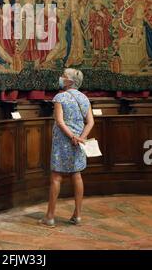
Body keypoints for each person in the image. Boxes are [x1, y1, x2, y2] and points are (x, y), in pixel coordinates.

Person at [40, 69, 94, 227]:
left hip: (63, 141)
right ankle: (77, 215)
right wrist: (81, 138)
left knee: (56, 177)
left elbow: (60, 121)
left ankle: (50, 216)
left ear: (70, 81)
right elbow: (90, 122)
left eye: (63, 76)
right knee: (76, 175)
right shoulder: (84, 98)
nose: (61, 78)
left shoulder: (60, 97)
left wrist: (72, 137)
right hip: (78, 143)